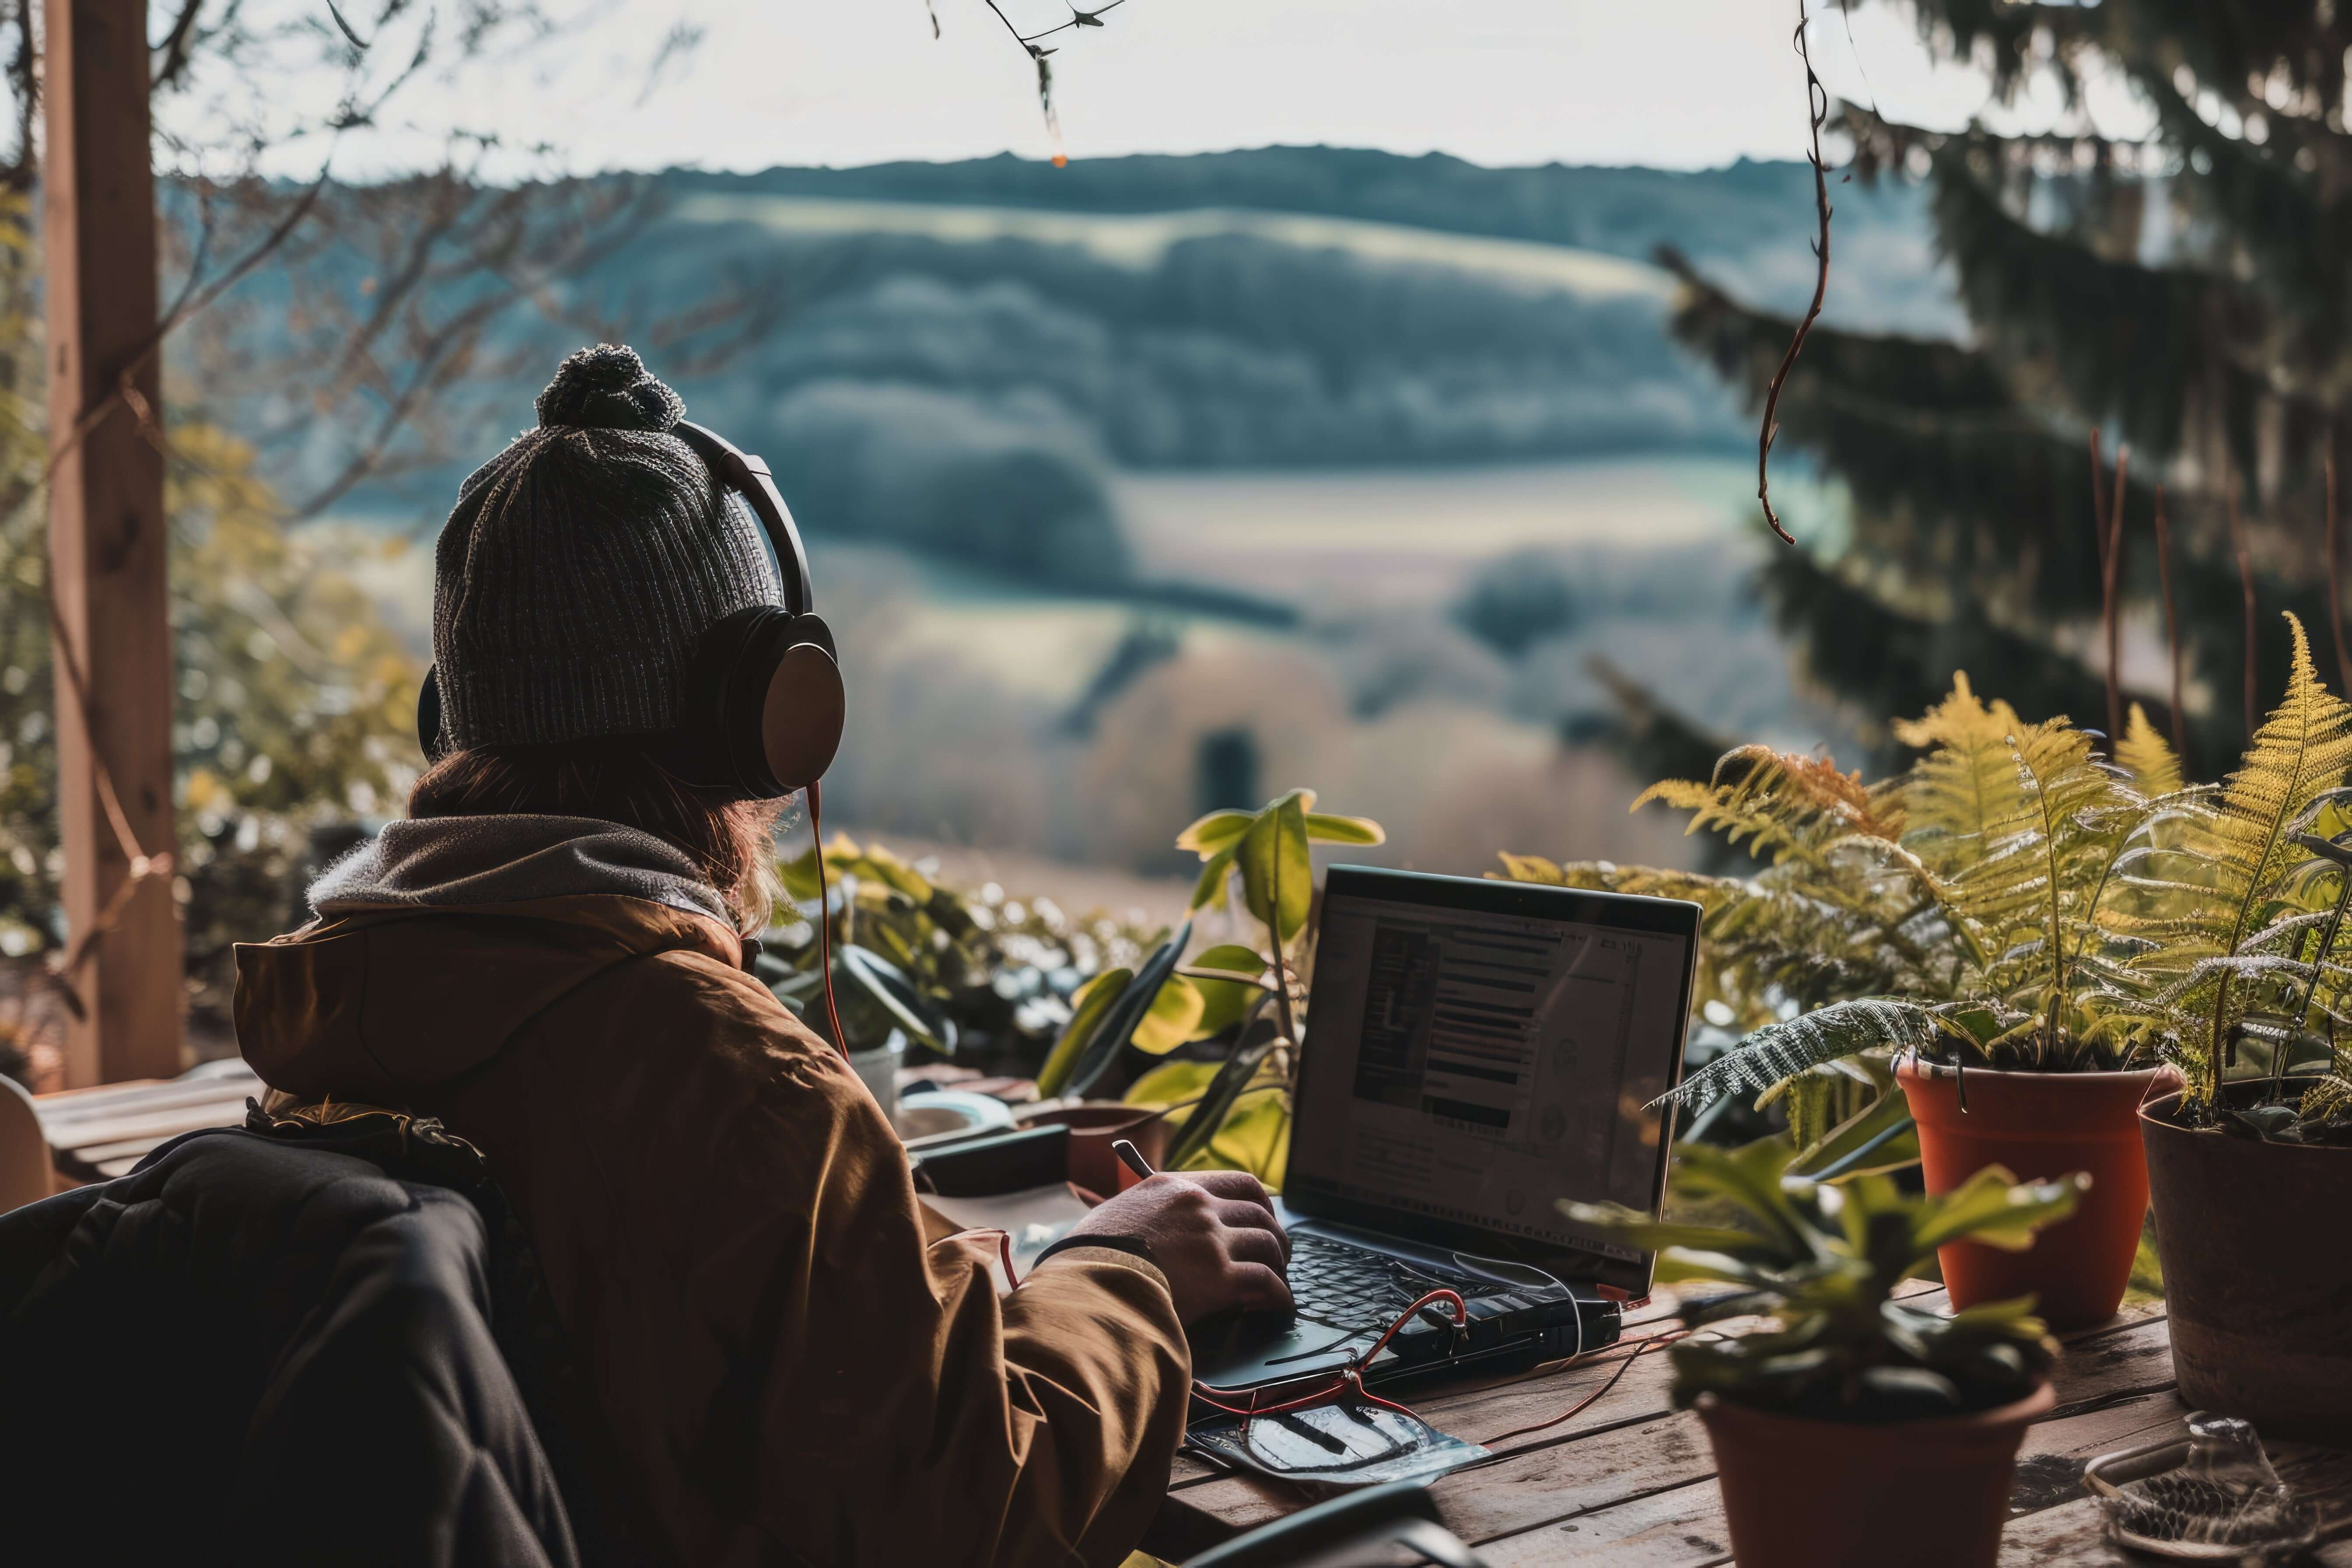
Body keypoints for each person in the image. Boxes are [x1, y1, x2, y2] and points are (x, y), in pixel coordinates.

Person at [234, 344, 1293, 1567]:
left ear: (456, 711)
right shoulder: (737, 1087)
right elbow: (979, 1521)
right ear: (773, 710)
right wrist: (1123, 1268)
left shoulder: (331, 1014)